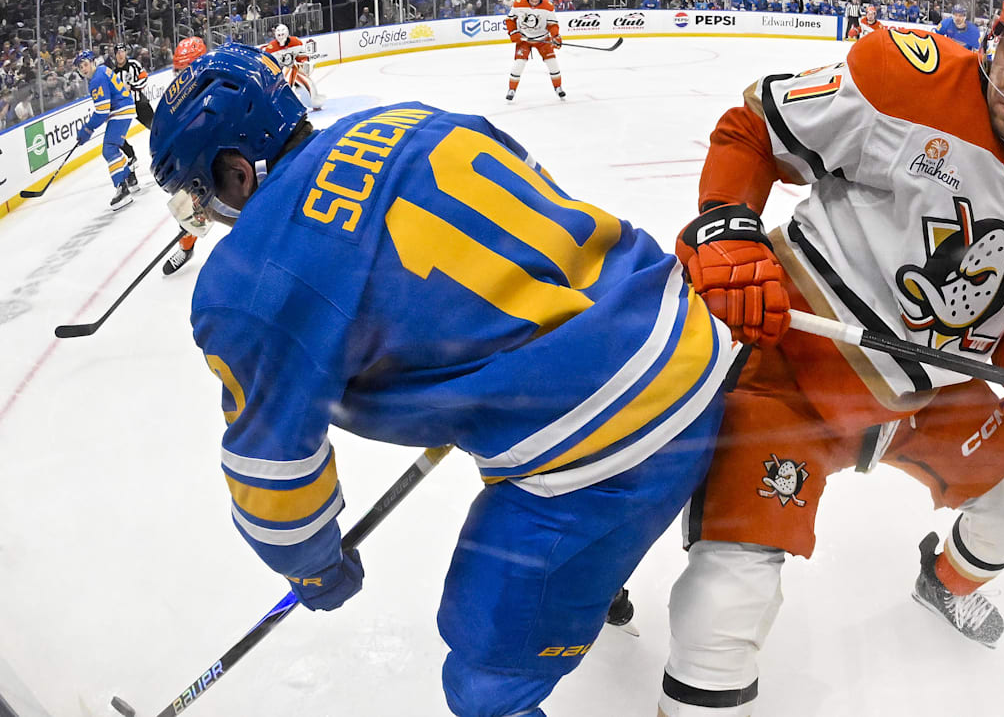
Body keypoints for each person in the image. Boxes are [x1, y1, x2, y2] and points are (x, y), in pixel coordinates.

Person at [147, 43, 738, 717]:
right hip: (688, 331)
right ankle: (594, 578)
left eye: (200, 193)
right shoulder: (406, 117)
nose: (205, 213)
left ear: (235, 171)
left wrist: (314, 568)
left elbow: (273, 470)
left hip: (611, 445)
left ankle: (578, 573)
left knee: (484, 688)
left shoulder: (247, 283)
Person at [657, 0, 1004, 717]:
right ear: (994, 35)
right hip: (792, 373)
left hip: (929, 400)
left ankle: (945, 583)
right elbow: (753, 128)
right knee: (724, 611)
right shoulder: (901, 77)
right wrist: (727, 228)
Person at [161, 36, 209, 276]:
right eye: (178, 71)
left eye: (185, 71)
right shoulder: (178, 97)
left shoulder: (217, 86)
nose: (180, 77)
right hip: (198, 160)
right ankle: (186, 247)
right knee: (188, 206)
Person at [73, 49, 139, 211]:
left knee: (109, 149)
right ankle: (129, 176)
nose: (83, 69)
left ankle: (122, 189)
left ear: (93, 62)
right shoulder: (102, 70)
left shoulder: (97, 79)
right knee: (111, 148)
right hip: (124, 107)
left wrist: (87, 130)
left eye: (85, 64)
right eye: (80, 67)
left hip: (121, 110)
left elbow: (102, 112)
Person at [505, 0, 565, 101]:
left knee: (552, 63)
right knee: (518, 64)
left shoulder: (548, 6)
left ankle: (558, 87)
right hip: (524, 39)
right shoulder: (518, 4)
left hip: (543, 39)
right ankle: (511, 89)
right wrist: (513, 32)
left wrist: (555, 36)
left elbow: (552, 24)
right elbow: (510, 20)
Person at [262, 23, 324, 110]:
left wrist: (304, 63)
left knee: (308, 83)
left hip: (293, 69)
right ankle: (281, 107)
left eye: (282, 35)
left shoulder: (296, 42)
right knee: (282, 88)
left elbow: (301, 57)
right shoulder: (270, 48)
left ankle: (314, 102)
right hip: (279, 73)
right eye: (279, 35)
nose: (281, 37)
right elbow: (268, 65)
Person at [112, 45, 153, 173]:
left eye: (122, 52)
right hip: (123, 108)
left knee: (156, 127)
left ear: (125, 53)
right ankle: (131, 155)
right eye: (117, 52)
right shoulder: (113, 73)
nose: (120, 54)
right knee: (116, 134)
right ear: (115, 55)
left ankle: (167, 148)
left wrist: (131, 86)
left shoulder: (134, 64)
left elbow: (144, 78)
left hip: (139, 103)